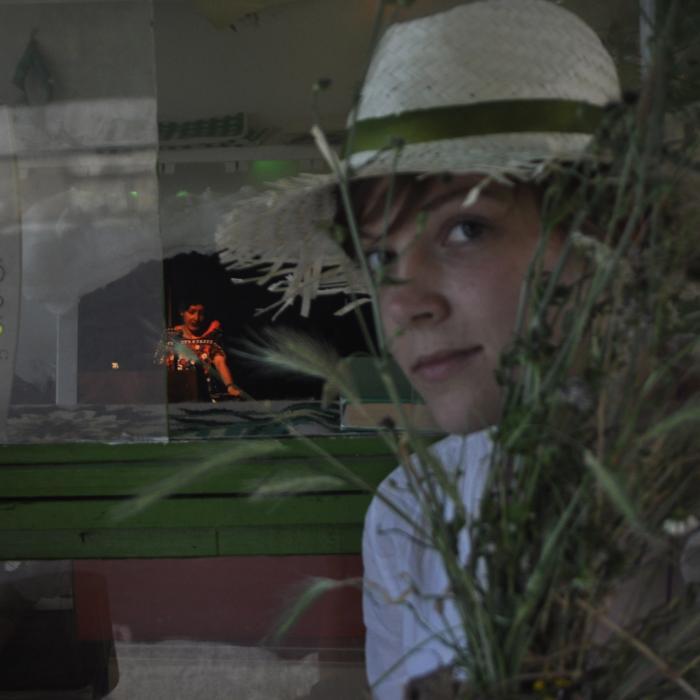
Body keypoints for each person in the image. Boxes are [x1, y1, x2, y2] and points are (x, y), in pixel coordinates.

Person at [216, 1, 698, 698]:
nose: (402, 302)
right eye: (379, 258)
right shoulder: (407, 520)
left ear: (614, 235)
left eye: (465, 230)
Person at [156, 299, 242, 401]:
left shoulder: (211, 335)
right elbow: (158, 366)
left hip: (205, 397)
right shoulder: (170, 336)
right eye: (192, 312)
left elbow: (220, 362)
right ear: (182, 312)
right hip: (175, 396)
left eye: (201, 313)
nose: (196, 318)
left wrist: (230, 386)